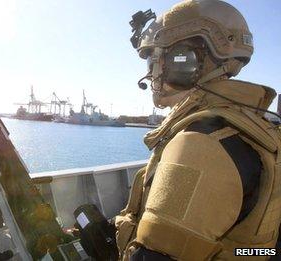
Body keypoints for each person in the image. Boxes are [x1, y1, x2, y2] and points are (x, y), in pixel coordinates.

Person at [114, 0, 281, 260]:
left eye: (155, 60)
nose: (152, 74)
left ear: (184, 63)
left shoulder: (199, 144)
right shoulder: (255, 126)